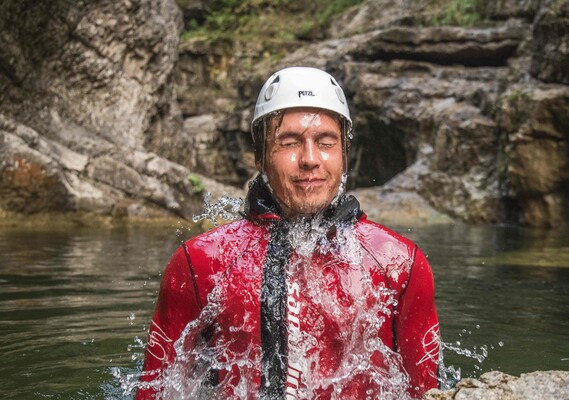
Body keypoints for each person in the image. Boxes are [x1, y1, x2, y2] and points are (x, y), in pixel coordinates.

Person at [136, 67, 440, 399]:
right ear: (260, 156)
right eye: (290, 142)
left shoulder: (399, 264)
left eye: (325, 142)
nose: (310, 159)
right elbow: (154, 392)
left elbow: (428, 393)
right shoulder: (199, 263)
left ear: (344, 154)